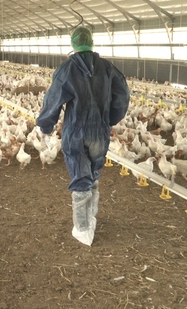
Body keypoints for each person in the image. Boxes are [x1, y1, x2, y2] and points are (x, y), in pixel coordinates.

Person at [36, 26, 130, 246]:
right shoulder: (107, 68)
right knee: (93, 172)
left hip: (76, 130)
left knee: (80, 175)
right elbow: (123, 94)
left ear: (73, 44)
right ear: (91, 42)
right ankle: (92, 216)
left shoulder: (67, 70)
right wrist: (110, 118)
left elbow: (53, 99)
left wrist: (45, 125)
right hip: (99, 131)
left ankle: (83, 229)